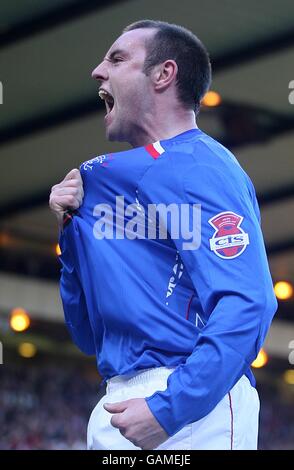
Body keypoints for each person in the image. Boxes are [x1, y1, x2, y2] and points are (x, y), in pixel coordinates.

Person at [49, 20, 277, 450]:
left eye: (117, 59)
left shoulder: (203, 167)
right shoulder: (101, 183)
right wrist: (70, 237)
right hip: (116, 404)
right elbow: (85, 335)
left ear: (163, 74)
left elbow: (250, 302)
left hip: (189, 403)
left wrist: (171, 407)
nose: (98, 71)